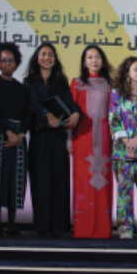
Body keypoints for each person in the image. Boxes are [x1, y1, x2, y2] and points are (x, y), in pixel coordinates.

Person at [24, 42, 80, 237]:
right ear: (36, 58)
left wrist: (75, 114)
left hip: (58, 137)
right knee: (41, 181)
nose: (47, 58)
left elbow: (70, 103)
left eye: (51, 55)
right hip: (40, 136)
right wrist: (47, 115)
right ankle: (42, 226)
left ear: (55, 59)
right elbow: (33, 104)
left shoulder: (61, 82)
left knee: (59, 181)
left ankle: (59, 226)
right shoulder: (29, 82)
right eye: (43, 54)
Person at [0, 41, 32, 237]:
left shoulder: (23, 88)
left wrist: (20, 134)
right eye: (4, 60)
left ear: (16, 63)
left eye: (11, 60)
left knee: (15, 178)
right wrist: (7, 131)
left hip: (18, 136)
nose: (8, 63)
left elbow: (28, 115)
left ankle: (11, 223)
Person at [109, 56, 137, 239]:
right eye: (136, 69)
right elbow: (114, 120)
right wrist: (127, 142)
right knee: (124, 192)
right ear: (127, 72)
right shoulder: (116, 94)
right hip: (122, 152)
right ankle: (125, 228)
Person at [70, 45, 113, 239]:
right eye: (89, 57)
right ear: (84, 62)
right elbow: (70, 114)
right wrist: (68, 140)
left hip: (105, 141)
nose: (94, 60)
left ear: (103, 60)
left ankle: (103, 229)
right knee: (83, 184)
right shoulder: (77, 83)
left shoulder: (111, 85)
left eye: (97, 57)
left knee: (103, 184)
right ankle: (83, 229)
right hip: (82, 140)